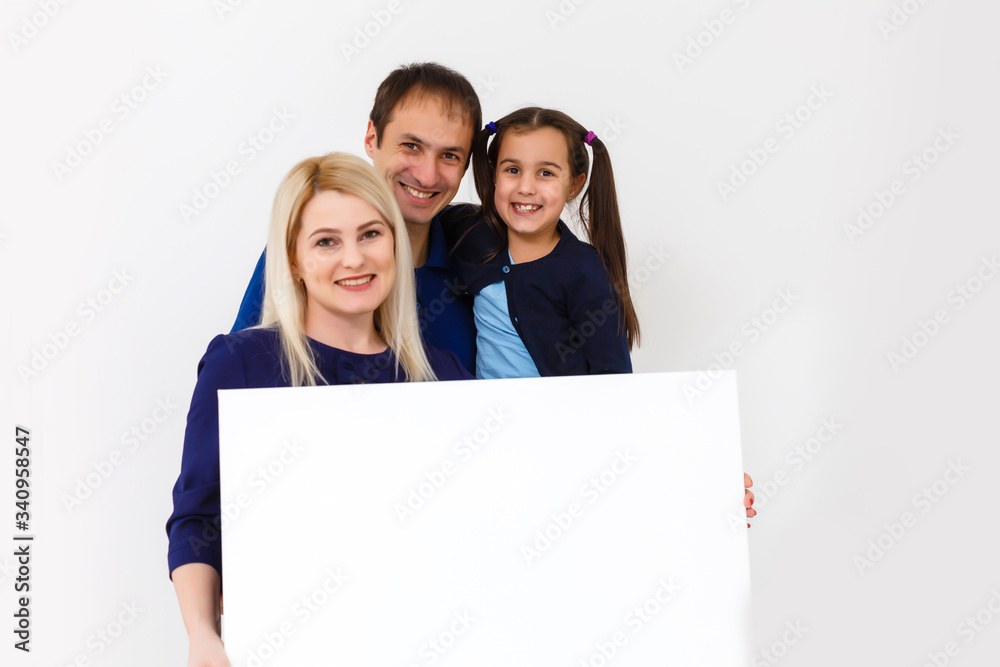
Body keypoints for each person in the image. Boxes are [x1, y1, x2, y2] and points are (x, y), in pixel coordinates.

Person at [166, 152, 472, 667]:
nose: (354, 259)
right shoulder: (241, 363)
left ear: (396, 243)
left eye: (371, 234)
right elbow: (198, 516)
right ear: (292, 260)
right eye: (326, 241)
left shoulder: (443, 376)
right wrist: (203, 636)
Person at [231, 62, 481, 374]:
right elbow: (242, 384)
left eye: (449, 156)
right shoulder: (312, 253)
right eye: (411, 146)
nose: (427, 177)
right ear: (371, 139)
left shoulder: (479, 257)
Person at [446, 107, 638, 378]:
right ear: (493, 176)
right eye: (512, 170)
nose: (526, 187)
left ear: (573, 185)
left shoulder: (583, 271)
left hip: (558, 417)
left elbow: (613, 375)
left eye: (546, 173)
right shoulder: (470, 233)